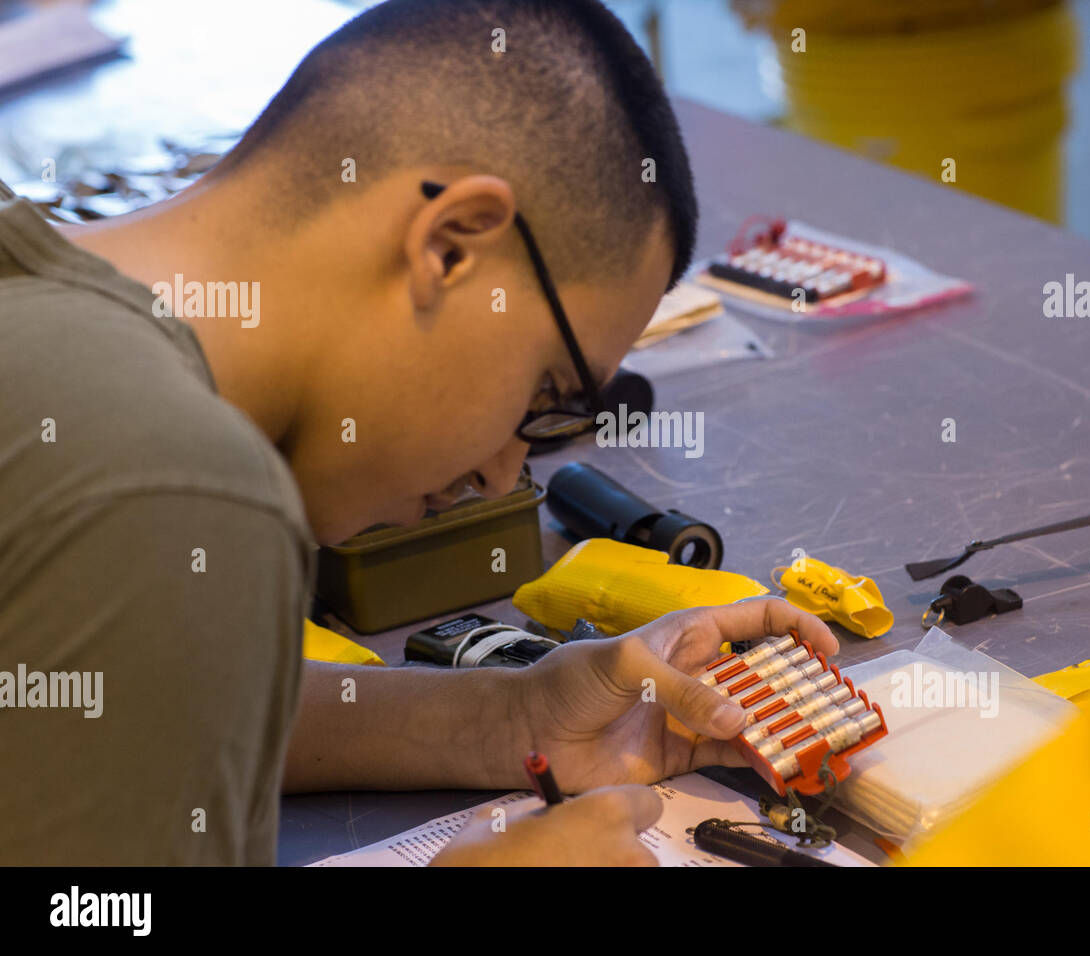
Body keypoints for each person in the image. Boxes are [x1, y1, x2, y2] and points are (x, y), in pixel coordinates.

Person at [0, 0, 837, 865]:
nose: (506, 475)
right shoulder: (172, 482)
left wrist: (509, 715)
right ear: (449, 246)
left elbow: (139, 709)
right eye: (543, 393)